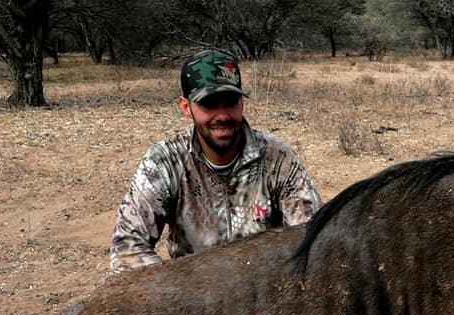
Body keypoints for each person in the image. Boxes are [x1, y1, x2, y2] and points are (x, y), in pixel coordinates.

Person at [108, 49, 322, 276]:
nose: (222, 115)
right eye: (208, 103)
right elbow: (127, 248)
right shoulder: (164, 162)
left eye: (230, 102)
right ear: (185, 107)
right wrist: (181, 293)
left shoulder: (278, 159)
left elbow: (313, 238)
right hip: (193, 298)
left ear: (241, 103)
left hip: (264, 293)